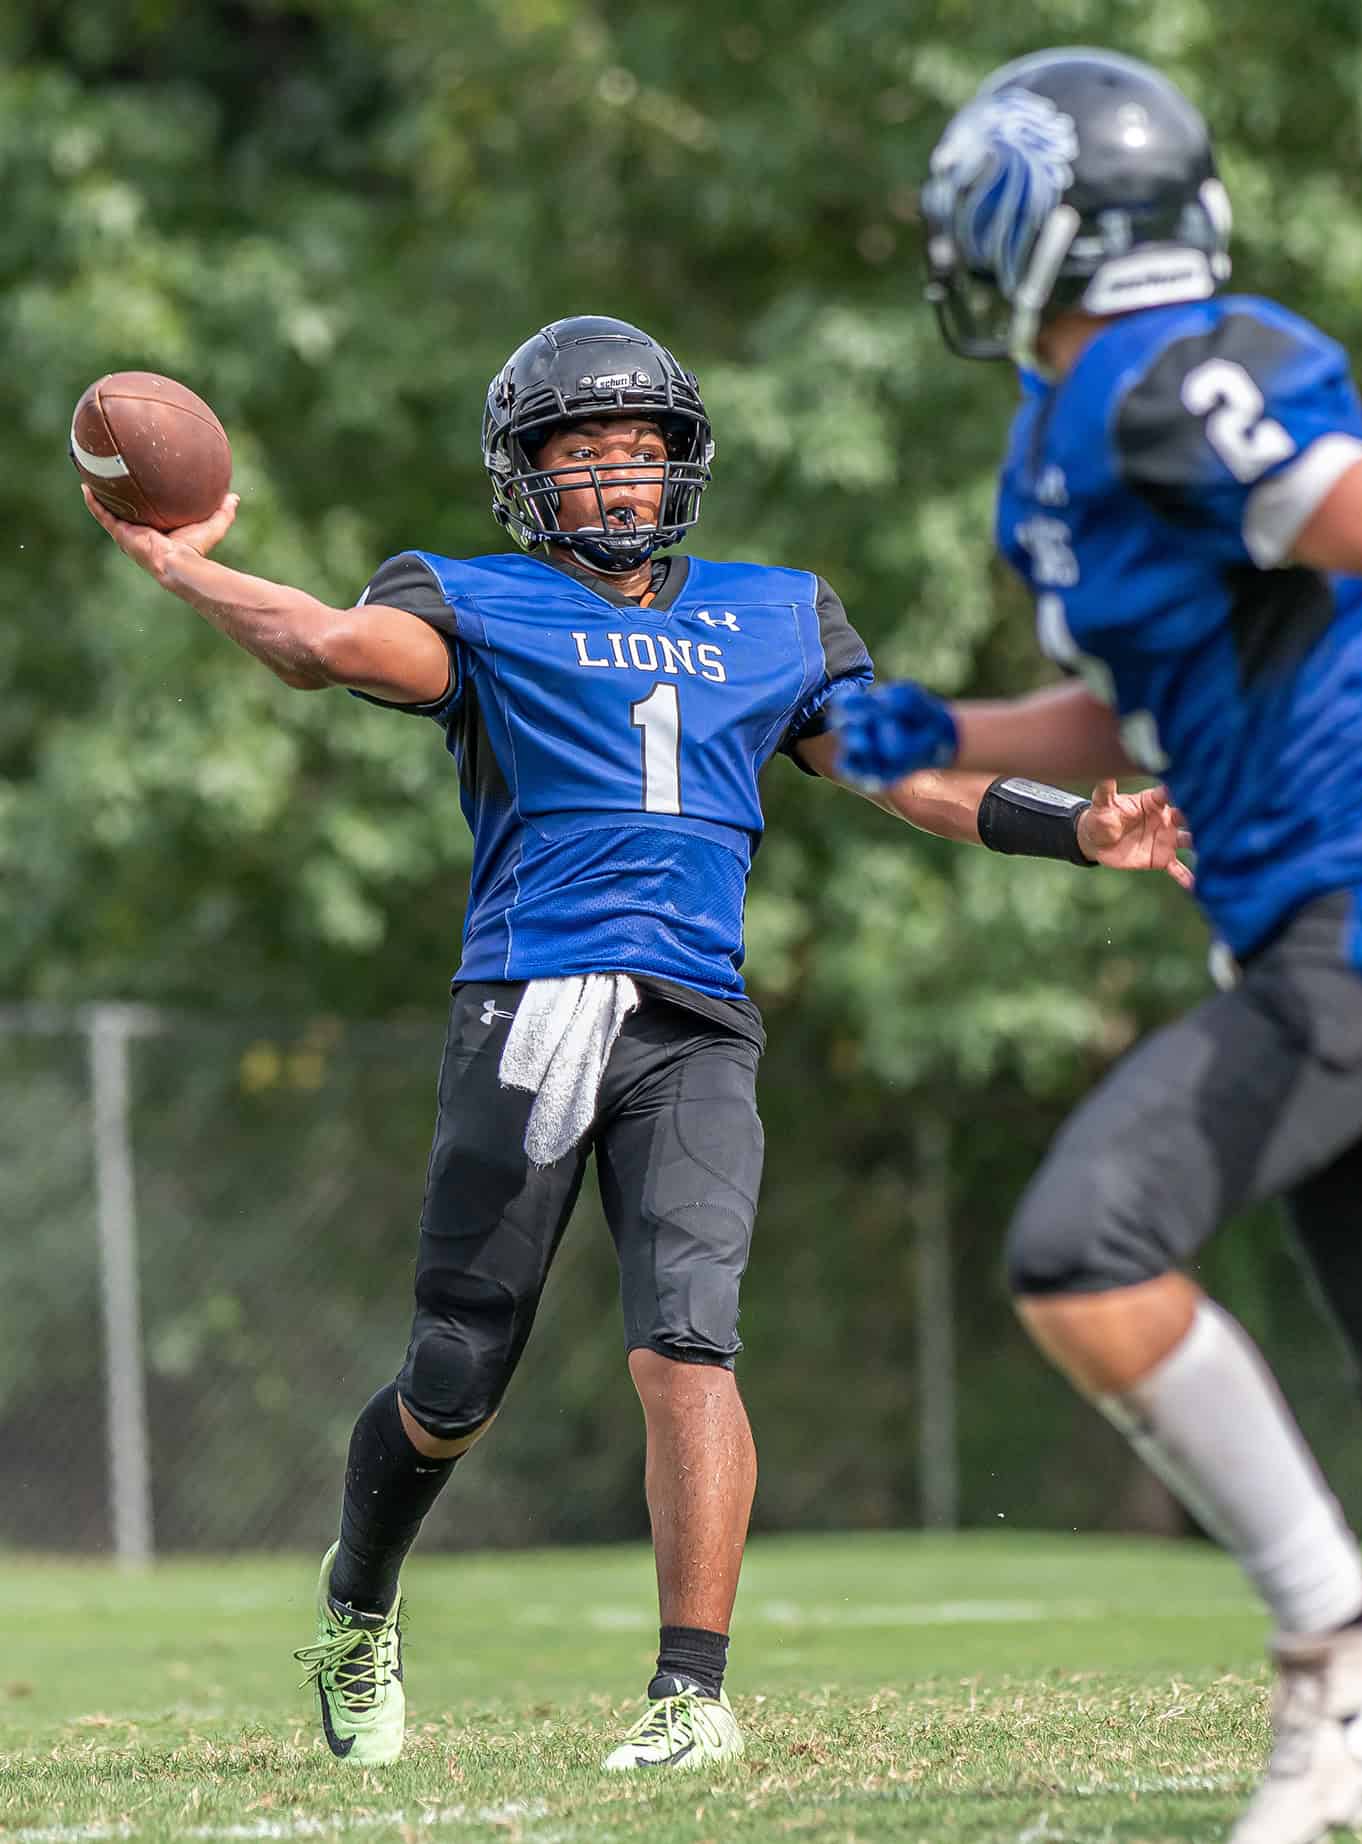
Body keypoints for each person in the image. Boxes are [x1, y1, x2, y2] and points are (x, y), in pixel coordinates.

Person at [82, 313, 1185, 1773]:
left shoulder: (777, 611)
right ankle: (358, 1606)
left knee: (688, 1341)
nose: (617, 479)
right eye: (583, 454)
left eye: (642, 451)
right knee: (455, 1379)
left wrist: (1070, 825)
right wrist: (186, 564)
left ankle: (690, 1697)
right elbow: (329, 646)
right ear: (527, 477)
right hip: (530, 1009)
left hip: (695, 1024)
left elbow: (895, 770)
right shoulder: (471, 601)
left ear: (686, 467)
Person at [828, 48, 1362, 1844]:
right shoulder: (1076, 432)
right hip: (1292, 928)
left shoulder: (1167, 372)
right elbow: (1136, 701)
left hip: (1351, 924)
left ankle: (1332, 1654)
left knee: (1086, 1247)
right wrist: (942, 737)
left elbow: (1350, 512)